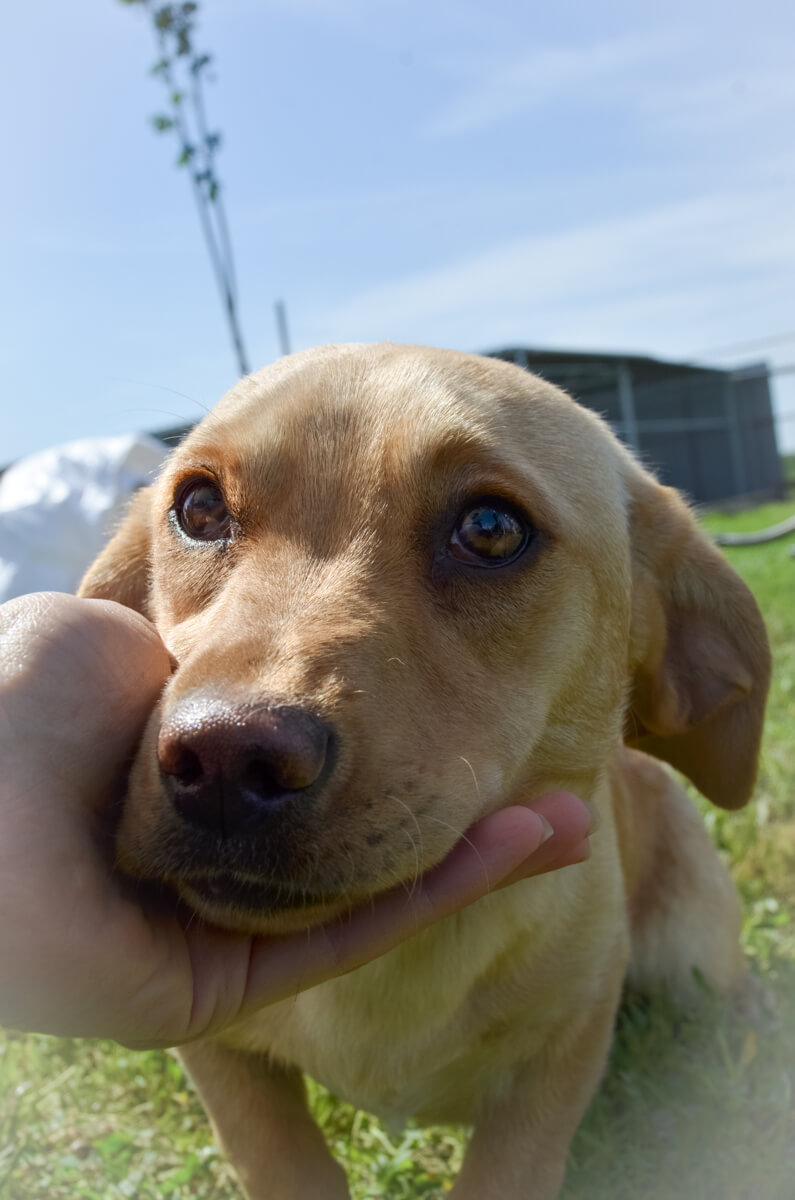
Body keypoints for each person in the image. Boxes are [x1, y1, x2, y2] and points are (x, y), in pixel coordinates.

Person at [0, 592, 591, 1050]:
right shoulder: (165, 942)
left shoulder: (576, 937)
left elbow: (565, 1034)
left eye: (489, 532)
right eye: (204, 514)